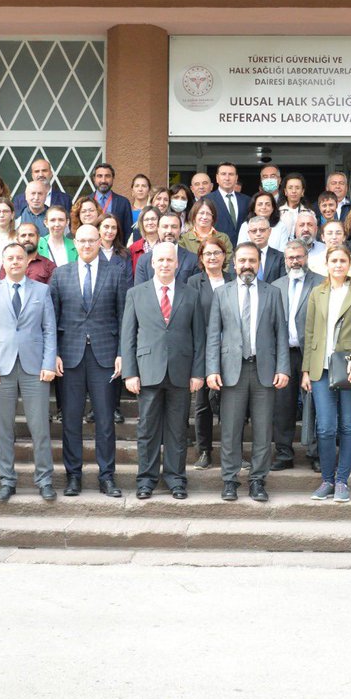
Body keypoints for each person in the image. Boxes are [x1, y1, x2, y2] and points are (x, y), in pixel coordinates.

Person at [206, 243, 290, 502]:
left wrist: (283, 368)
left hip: (264, 369)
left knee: (263, 429)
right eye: (242, 260)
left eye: (252, 261)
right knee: (230, 429)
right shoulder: (222, 293)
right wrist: (211, 369)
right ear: (234, 263)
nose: (247, 265)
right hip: (232, 371)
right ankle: (230, 480)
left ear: (259, 263)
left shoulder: (272, 292)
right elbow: (213, 335)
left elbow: (280, 334)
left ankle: (257, 480)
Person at [122, 243, 206, 500]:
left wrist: (198, 373)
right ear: (151, 263)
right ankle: (146, 480)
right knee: (147, 429)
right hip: (147, 372)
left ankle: (176, 479)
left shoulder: (190, 294)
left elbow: (199, 337)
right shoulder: (136, 294)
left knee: (177, 429)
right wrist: (130, 372)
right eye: (160, 260)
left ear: (177, 263)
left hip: (181, 371)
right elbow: (128, 337)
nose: (165, 264)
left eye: (170, 260)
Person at [49, 225, 126, 497]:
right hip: (69, 356)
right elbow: (51, 319)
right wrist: (53, 353)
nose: (86, 245)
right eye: (81, 240)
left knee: (105, 421)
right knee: (71, 420)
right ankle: (73, 477)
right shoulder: (60, 275)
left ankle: (107, 476)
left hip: (105, 355)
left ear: (100, 241)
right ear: (75, 243)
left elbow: (124, 318)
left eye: (91, 240)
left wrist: (121, 353)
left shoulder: (116, 273)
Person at [0, 243, 58, 502]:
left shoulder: (42, 290)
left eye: (19, 258)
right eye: (10, 258)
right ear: (3, 262)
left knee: (39, 428)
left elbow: (49, 329)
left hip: (35, 367)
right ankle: (7, 480)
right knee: (3, 428)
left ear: (27, 262)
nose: (15, 262)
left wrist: (48, 364)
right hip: (1, 368)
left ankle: (45, 480)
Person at [302, 245, 351, 503]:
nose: (338, 265)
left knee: (347, 426)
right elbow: (309, 333)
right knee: (324, 427)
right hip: (321, 369)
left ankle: (342, 480)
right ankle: (327, 480)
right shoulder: (317, 293)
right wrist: (305, 369)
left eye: (342, 260)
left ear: (349, 264)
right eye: (333, 260)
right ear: (327, 264)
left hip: (349, 369)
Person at [270, 239, 322, 472]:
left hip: (312, 353)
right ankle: (283, 453)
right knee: (282, 406)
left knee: (316, 404)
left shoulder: (321, 283)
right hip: (284, 353)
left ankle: (316, 453)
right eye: (291, 257)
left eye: (299, 256)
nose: (295, 261)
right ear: (285, 260)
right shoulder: (275, 286)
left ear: (306, 257)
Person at [187, 238, 232, 469]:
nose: (212, 257)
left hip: (231, 351)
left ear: (224, 256)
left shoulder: (234, 280)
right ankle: (204, 451)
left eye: (217, 253)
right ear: (201, 258)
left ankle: (231, 452)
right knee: (203, 404)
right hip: (203, 350)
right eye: (208, 254)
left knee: (231, 405)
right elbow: (190, 318)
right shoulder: (194, 282)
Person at [97, 213, 132, 424]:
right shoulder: (91, 252)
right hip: (96, 313)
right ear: (98, 229)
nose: (109, 231)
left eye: (113, 227)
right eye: (106, 227)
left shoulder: (123, 255)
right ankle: (95, 408)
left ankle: (115, 407)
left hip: (118, 309)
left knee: (115, 363)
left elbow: (127, 281)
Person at [134, 212, 199, 285]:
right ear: (158, 229)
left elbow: (194, 293)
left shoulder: (193, 260)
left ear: (180, 230)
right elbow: (139, 293)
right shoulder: (144, 260)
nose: (169, 231)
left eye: (174, 227)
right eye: (165, 227)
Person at [89, 162, 134, 241]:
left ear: (113, 178)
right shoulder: (86, 201)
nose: (103, 180)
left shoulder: (123, 203)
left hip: (116, 250)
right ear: (94, 179)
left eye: (107, 176)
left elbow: (128, 232)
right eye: (99, 176)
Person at [180, 197, 232, 263]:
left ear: (213, 217)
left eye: (208, 214)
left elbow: (229, 262)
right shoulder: (183, 239)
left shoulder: (224, 238)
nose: (204, 217)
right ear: (194, 215)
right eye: (201, 213)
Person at [212, 162, 250, 241]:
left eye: (231, 174)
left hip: (243, 249)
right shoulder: (207, 200)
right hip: (217, 249)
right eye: (223, 174)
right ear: (217, 178)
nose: (227, 178)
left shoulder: (247, 200)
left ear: (236, 178)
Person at [242, 215, 285, 283]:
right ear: (249, 234)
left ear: (269, 231)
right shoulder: (239, 256)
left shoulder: (281, 257)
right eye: (254, 231)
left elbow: (283, 282)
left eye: (262, 230)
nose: (258, 234)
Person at [273, 173, 309, 250]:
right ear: (285, 191)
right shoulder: (276, 213)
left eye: (297, 188)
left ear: (302, 192)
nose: (294, 191)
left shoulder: (309, 213)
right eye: (290, 188)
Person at [128, 206, 160, 272]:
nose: (150, 222)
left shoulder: (166, 245)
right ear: (141, 223)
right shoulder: (133, 249)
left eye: (153, 219)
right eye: (146, 220)